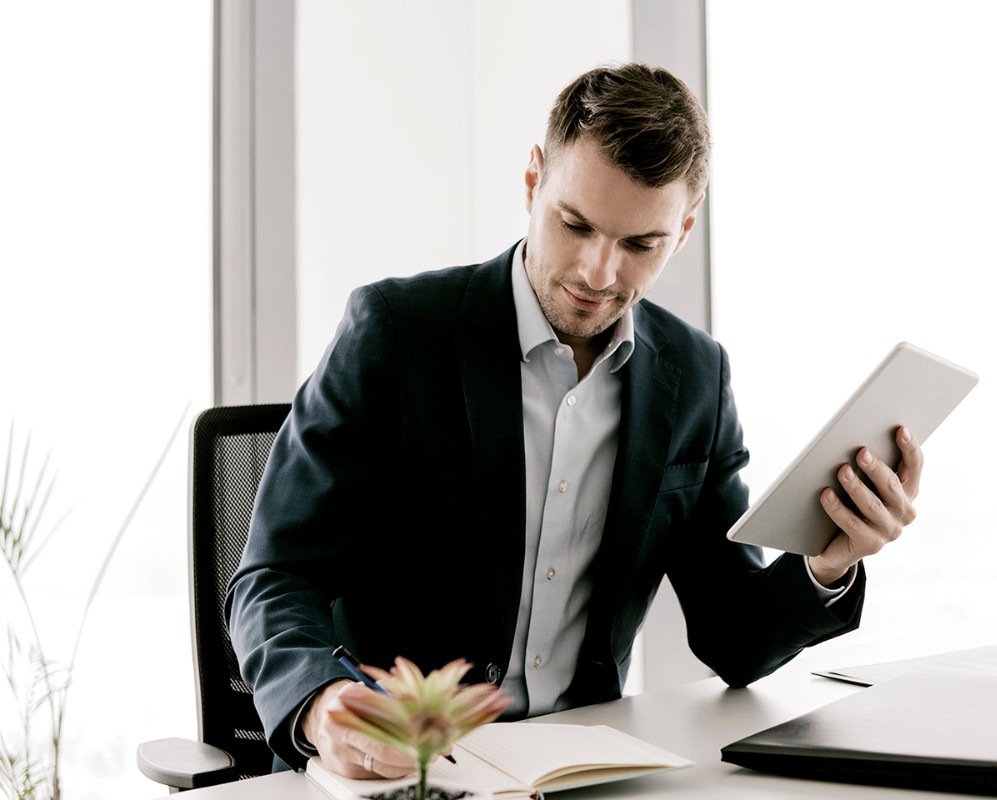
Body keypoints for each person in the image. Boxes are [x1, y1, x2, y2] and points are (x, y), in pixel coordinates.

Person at [227, 62, 923, 778]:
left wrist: (825, 565)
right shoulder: (395, 333)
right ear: (534, 182)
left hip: (582, 774)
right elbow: (273, 575)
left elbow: (734, 636)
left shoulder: (695, 379)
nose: (597, 272)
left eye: (639, 245)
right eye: (575, 224)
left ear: (682, 230)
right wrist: (319, 700)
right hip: (409, 769)